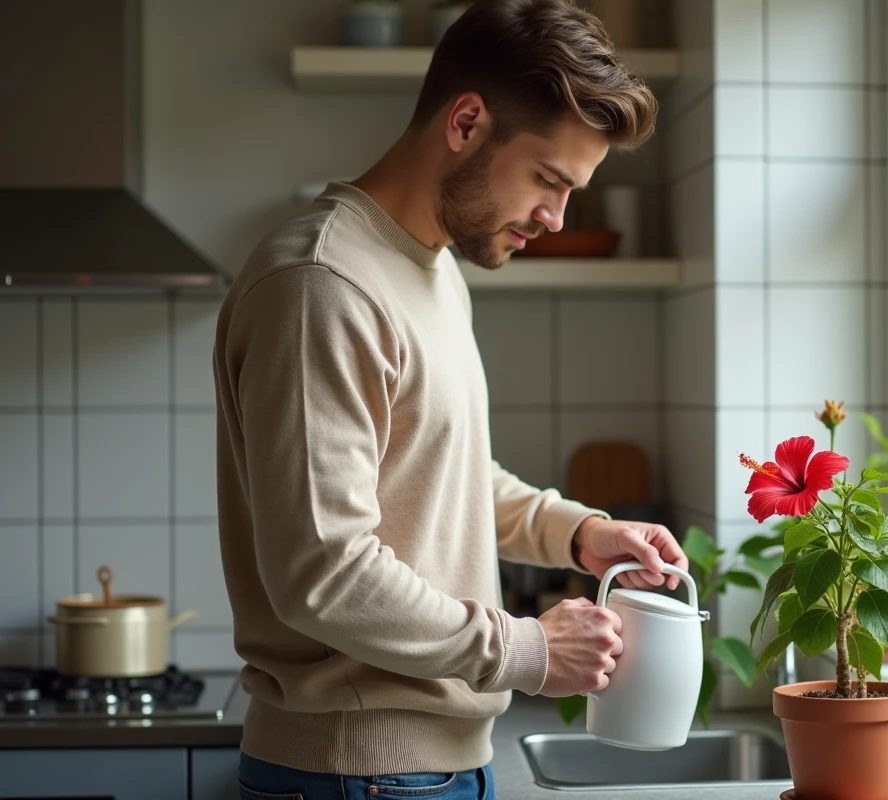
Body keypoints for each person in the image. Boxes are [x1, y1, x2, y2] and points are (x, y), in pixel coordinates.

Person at [212, 1, 686, 798]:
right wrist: (531, 650)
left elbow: (444, 477)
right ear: (466, 122)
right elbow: (323, 572)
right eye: (548, 179)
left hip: (435, 767)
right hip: (356, 773)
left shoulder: (431, 270)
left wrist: (583, 534)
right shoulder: (321, 286)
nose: (555, 217)